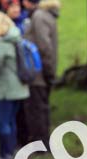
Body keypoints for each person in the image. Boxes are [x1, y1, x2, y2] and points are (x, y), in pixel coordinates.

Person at [0, 12, 29, 159]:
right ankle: (12, 150)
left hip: (6, 90)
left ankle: (6, 153)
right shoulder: (16, 39)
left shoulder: (2, 44)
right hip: (20, 88)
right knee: (11, 120)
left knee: (2, 121)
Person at [23, 0, 59, 149]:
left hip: (38, 73)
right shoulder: (47, 16)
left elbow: (44, 46)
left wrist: (48, 71)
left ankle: (40, 144)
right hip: (44, 71)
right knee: (41, 108)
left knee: (37, 110)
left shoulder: (38, 16)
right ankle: (42, 142)